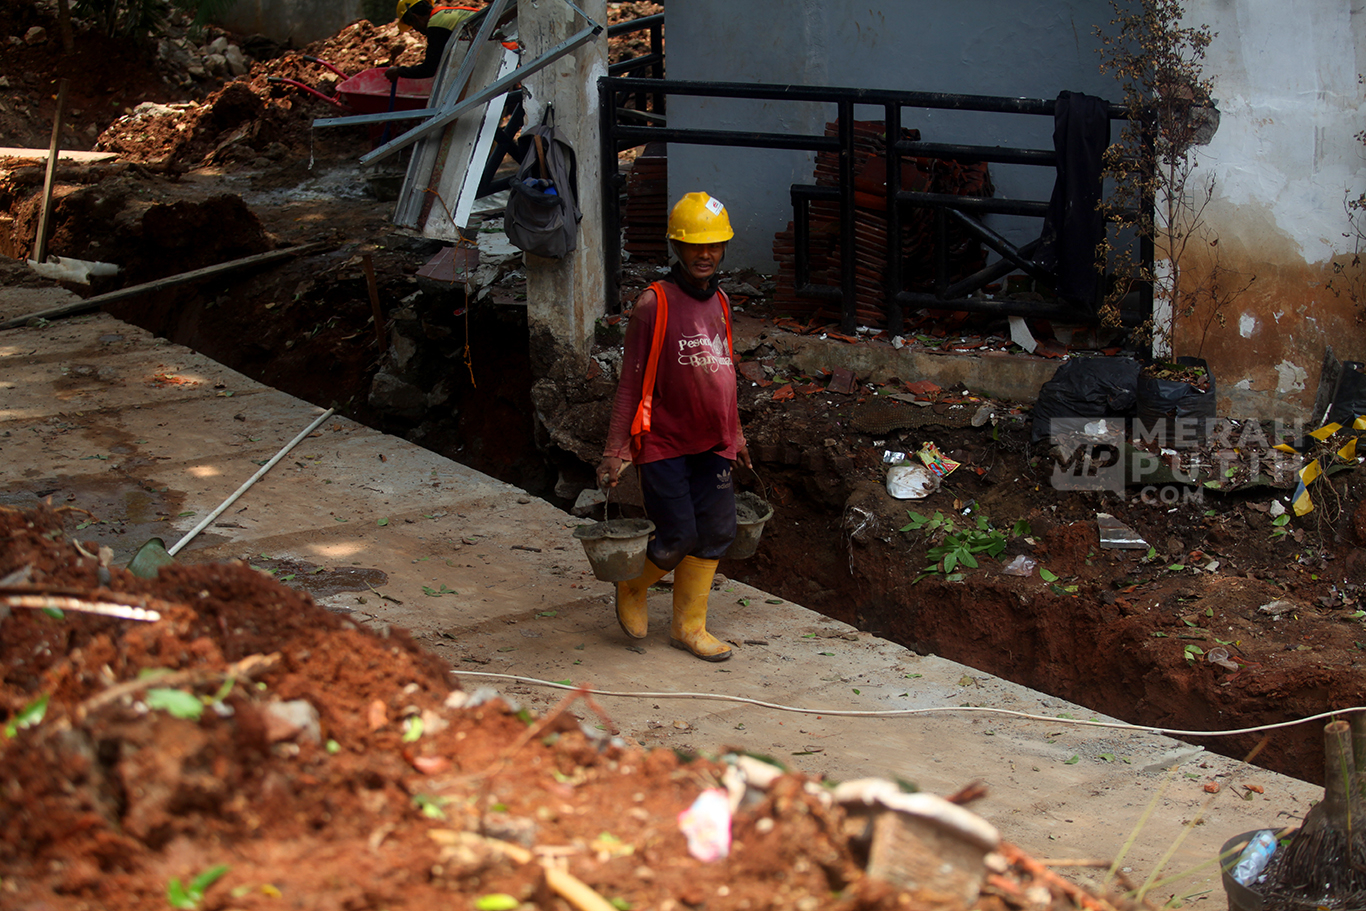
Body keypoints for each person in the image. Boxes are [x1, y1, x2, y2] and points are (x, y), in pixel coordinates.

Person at [596, 192, 752, 662]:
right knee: (678, 534)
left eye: (713, 246)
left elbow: (724, 373)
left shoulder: (721, 301)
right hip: (665, 443)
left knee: (718, 530)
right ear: (676, 248)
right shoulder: (654, 304)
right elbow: (630, 384)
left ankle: (689, 627)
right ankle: (633, 583)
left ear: (724, 248)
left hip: (714, 442)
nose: (704, 255)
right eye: (694, 246)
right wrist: (615, 449)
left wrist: (737, 435)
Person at [385, 0, 482, 82]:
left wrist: (399, 71)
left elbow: (429, 69)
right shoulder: (446, 14)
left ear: (415, 18)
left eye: (412, 25)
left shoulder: (436, 24)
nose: (416, 30)